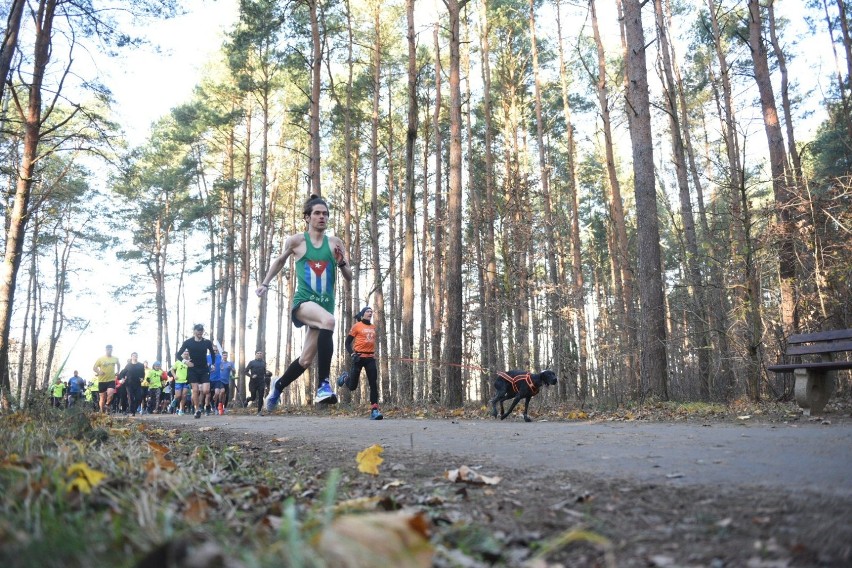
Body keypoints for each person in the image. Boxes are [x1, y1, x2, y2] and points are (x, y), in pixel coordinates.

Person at [257, 195, 353, 409]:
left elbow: (349, 275)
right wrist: (265, 283)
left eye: (325, 213)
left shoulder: (335, 243)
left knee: (305, 360)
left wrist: (341, 262)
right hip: (304, 303)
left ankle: (278, 386)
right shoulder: (297, 241)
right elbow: (280, 261)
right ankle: (323, 385)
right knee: (329, 321)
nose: (322, 217)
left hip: (324, 306)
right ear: (308, 217)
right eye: (317, 213)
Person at [337, 306, 383, 420]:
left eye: (371, 312)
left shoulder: (373, 327)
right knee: (352, 387)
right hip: (358, 358)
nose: (370, 313)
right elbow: (347, 343)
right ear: (362, 314)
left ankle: (374, 411)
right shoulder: (357, 326)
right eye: (368, 311)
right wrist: (352, 354)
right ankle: (345, 377)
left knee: (373, 383)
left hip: (370, 358)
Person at [176, 323, 218, 419]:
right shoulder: (188, 342)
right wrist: (186, 362)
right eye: (198, 330)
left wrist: (213, 364)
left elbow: (212, 353)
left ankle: (206, 405)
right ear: (194, 331)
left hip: (204, 368)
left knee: (206, 390)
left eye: (201, 330)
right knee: (195, 390)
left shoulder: (206, 342)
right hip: (193, 369)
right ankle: (197, 409)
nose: (200, 332)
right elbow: (178, 354)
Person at [93, 344, 120, 414]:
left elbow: (118, 364)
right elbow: (94, 368)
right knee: (102, 398)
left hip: (111, 379)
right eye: (108, 349)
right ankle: (102, 411)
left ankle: (107, 405)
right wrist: (99, 371)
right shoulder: (100, 359)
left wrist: (118, 371)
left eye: (111, 349)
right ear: (105, 350)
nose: (109, 351)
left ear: (112, 350)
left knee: (110, 394)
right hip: (102, 380)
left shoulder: (115, 358)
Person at [169, 350, 191, 415]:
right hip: (178, 381)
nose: (186, 355)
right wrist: (174, 376)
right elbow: (172, 369)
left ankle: (181, 410)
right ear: (182, 355)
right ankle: (174, 400)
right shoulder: (178, 362)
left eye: (187, 354)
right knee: (178, 396)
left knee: (184, 396)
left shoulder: (189, 363)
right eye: (185, 354)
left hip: (186, 381)